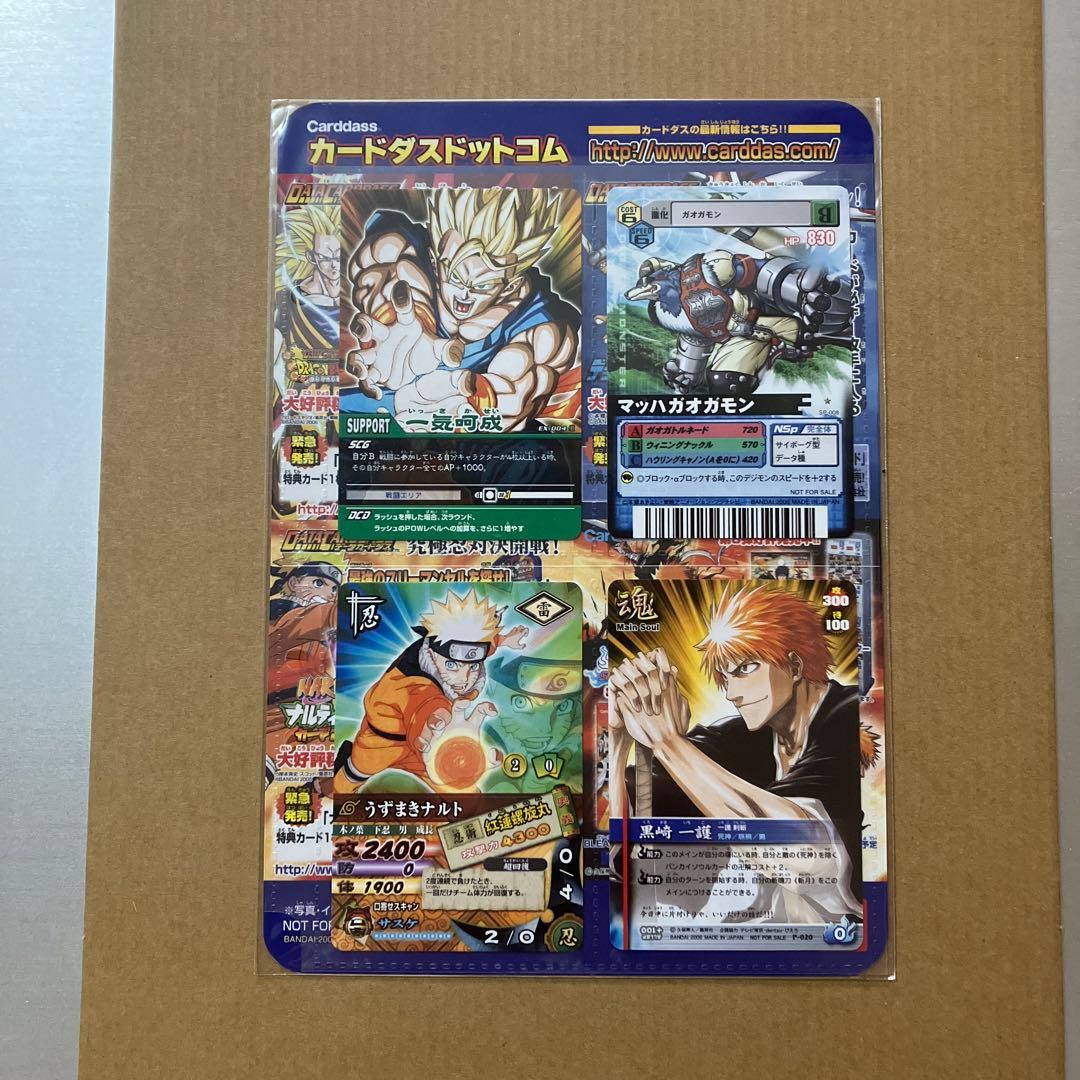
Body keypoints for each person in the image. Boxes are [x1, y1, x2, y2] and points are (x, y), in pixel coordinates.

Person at [609, 584, 862, 921]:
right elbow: (633, 842)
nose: (731, 693)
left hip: (843, 932)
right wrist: (622, 740)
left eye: (745, 669)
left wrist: (669, 743)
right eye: (725, 676)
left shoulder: (850, 719)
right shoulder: (739, 737)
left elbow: (808, 858)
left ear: (795, 666)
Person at [333, 589, 527, 793]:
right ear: (433, 653)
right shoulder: (411, 684)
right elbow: (427, 708)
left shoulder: (452, 647)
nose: (464, 679)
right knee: (345, 784)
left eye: (473, 667)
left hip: (422, 750)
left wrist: (503, 640)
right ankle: (344, 768)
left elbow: (477, 648)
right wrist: (444, 733)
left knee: (467, 797)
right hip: (383, 744)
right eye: (451, 666)